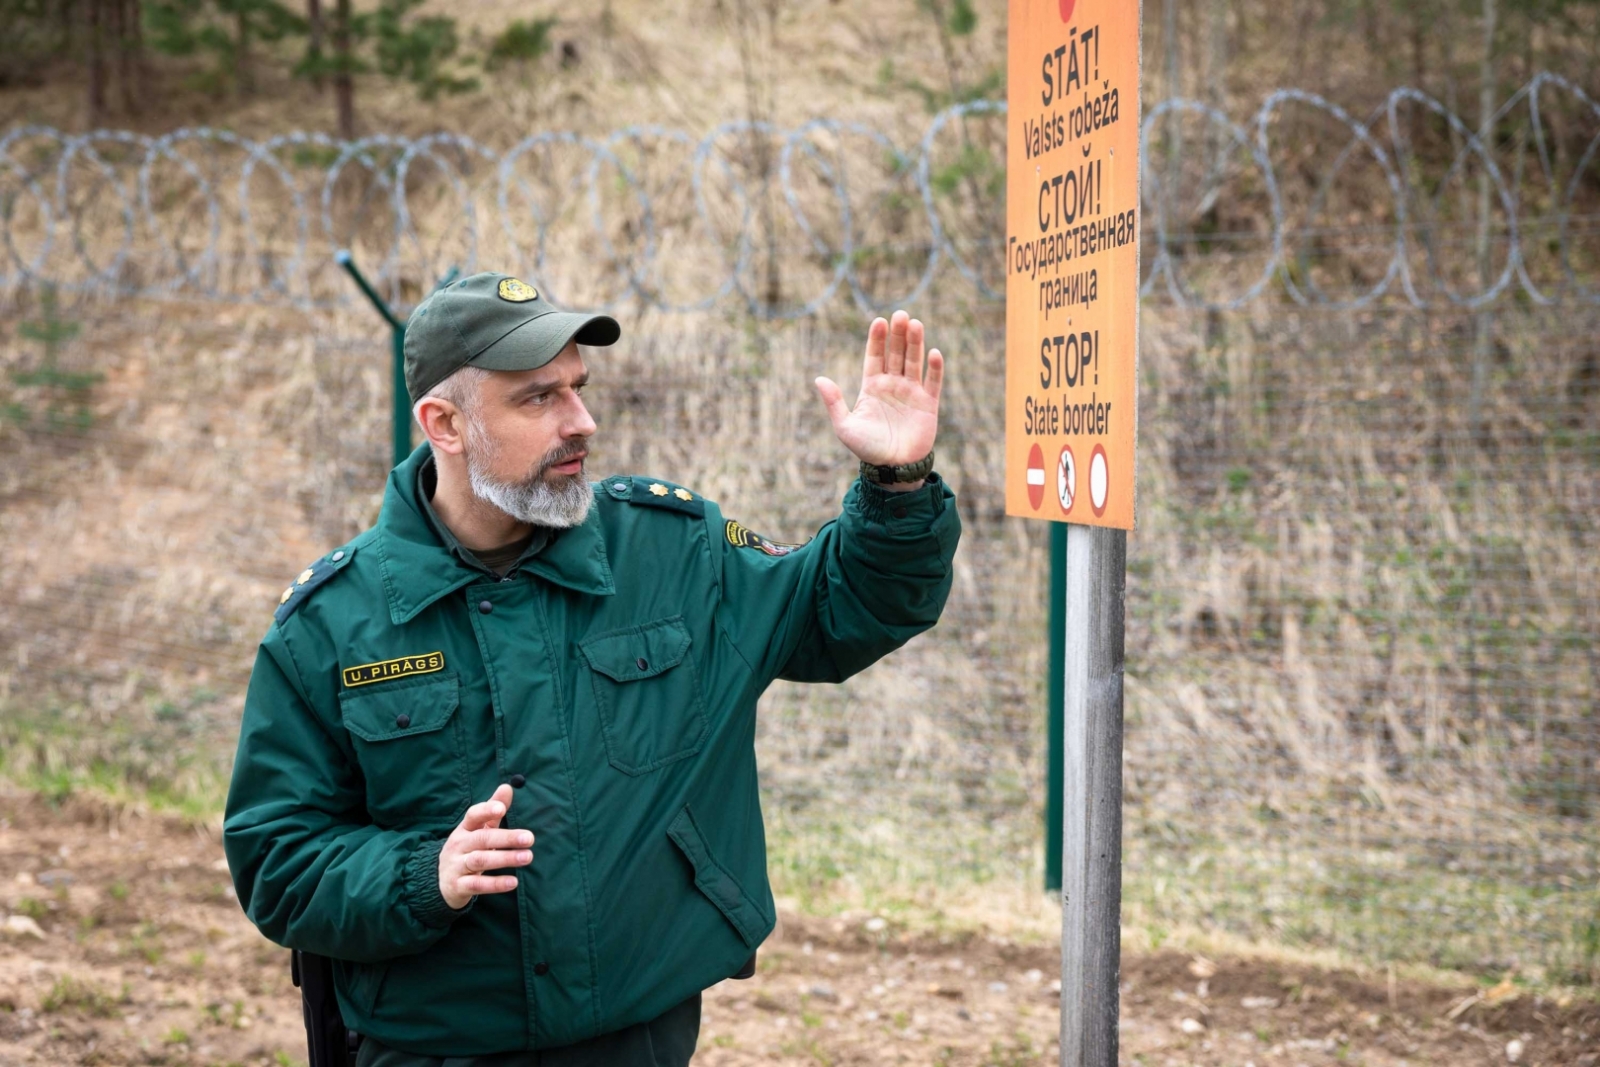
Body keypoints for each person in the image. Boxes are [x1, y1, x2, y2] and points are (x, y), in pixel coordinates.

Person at [222, 271, 961, 1066]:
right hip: (434, 1047)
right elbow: (277, 858)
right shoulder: (332, 625)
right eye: (539, 399)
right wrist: (422, 873)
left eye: (578, 387)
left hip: (639, 1037)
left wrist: (896, 486)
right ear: (445, 423)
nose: (583, 421)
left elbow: (843, 607)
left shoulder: (674, 550)